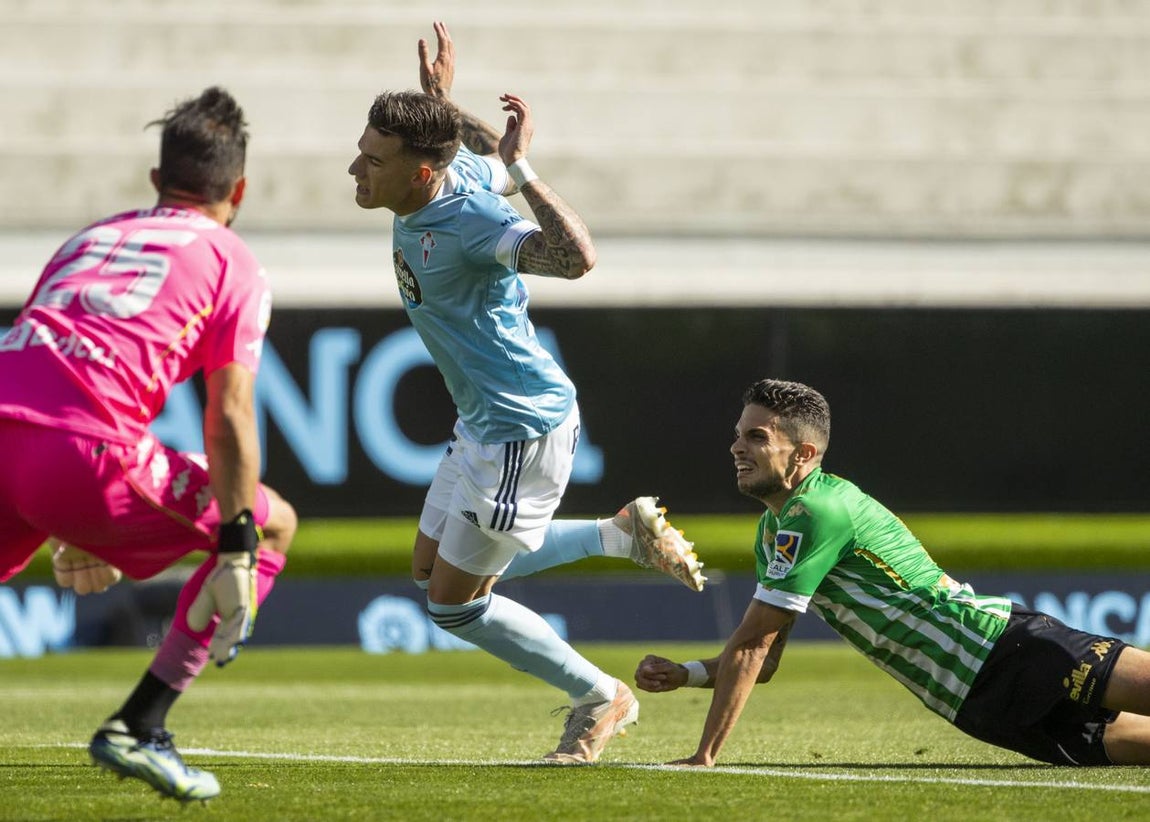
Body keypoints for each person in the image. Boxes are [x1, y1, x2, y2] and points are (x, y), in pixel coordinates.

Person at [347, 22, 704, 764]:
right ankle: (619, 535)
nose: (356, 166)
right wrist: (441, 103)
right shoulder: (451, 176)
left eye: (373, 159)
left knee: (451, 604)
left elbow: (577, 258)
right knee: (428, 567)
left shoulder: (473, 218)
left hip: (521, 431)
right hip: (482, 423)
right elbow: (475, 154)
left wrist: (526, 170)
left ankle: (600, 696)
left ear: (417, 172)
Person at [0, 87, 298, 801]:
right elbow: (227, 414)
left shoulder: (90, 237)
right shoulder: (232, 260)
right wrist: (236, 544)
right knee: (275, 520)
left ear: (157, 182)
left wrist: (66, 527)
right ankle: (140, 726)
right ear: (241, 190)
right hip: (82, 453)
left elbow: (45, 364)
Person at [635, 378, 1150, 767]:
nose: (736, 447)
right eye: (737, 435)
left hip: (1004, 648)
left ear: (805, 452)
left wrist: (705, 756)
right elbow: (762, 662)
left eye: (756, 436)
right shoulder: (773, 530)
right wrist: (687, 674)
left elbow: (752, 646)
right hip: (970, 704)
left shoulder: (817, 512)